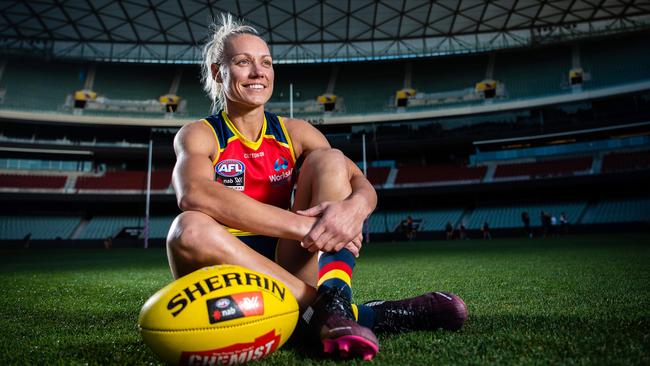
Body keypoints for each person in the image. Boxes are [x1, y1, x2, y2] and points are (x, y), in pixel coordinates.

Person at [165, 14, 467, 361]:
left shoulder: (294, 132)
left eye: (266, 63)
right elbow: (193, 193)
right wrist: (310, 226)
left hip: (289, 257)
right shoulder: (199, 133)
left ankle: (331, 299)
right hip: (222, 270)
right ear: (220, 73)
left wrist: (353, 211)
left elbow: (360, 183)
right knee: (186, 228)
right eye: (242, 62)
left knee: (330, 158)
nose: (257, 72)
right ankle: (342, 312)